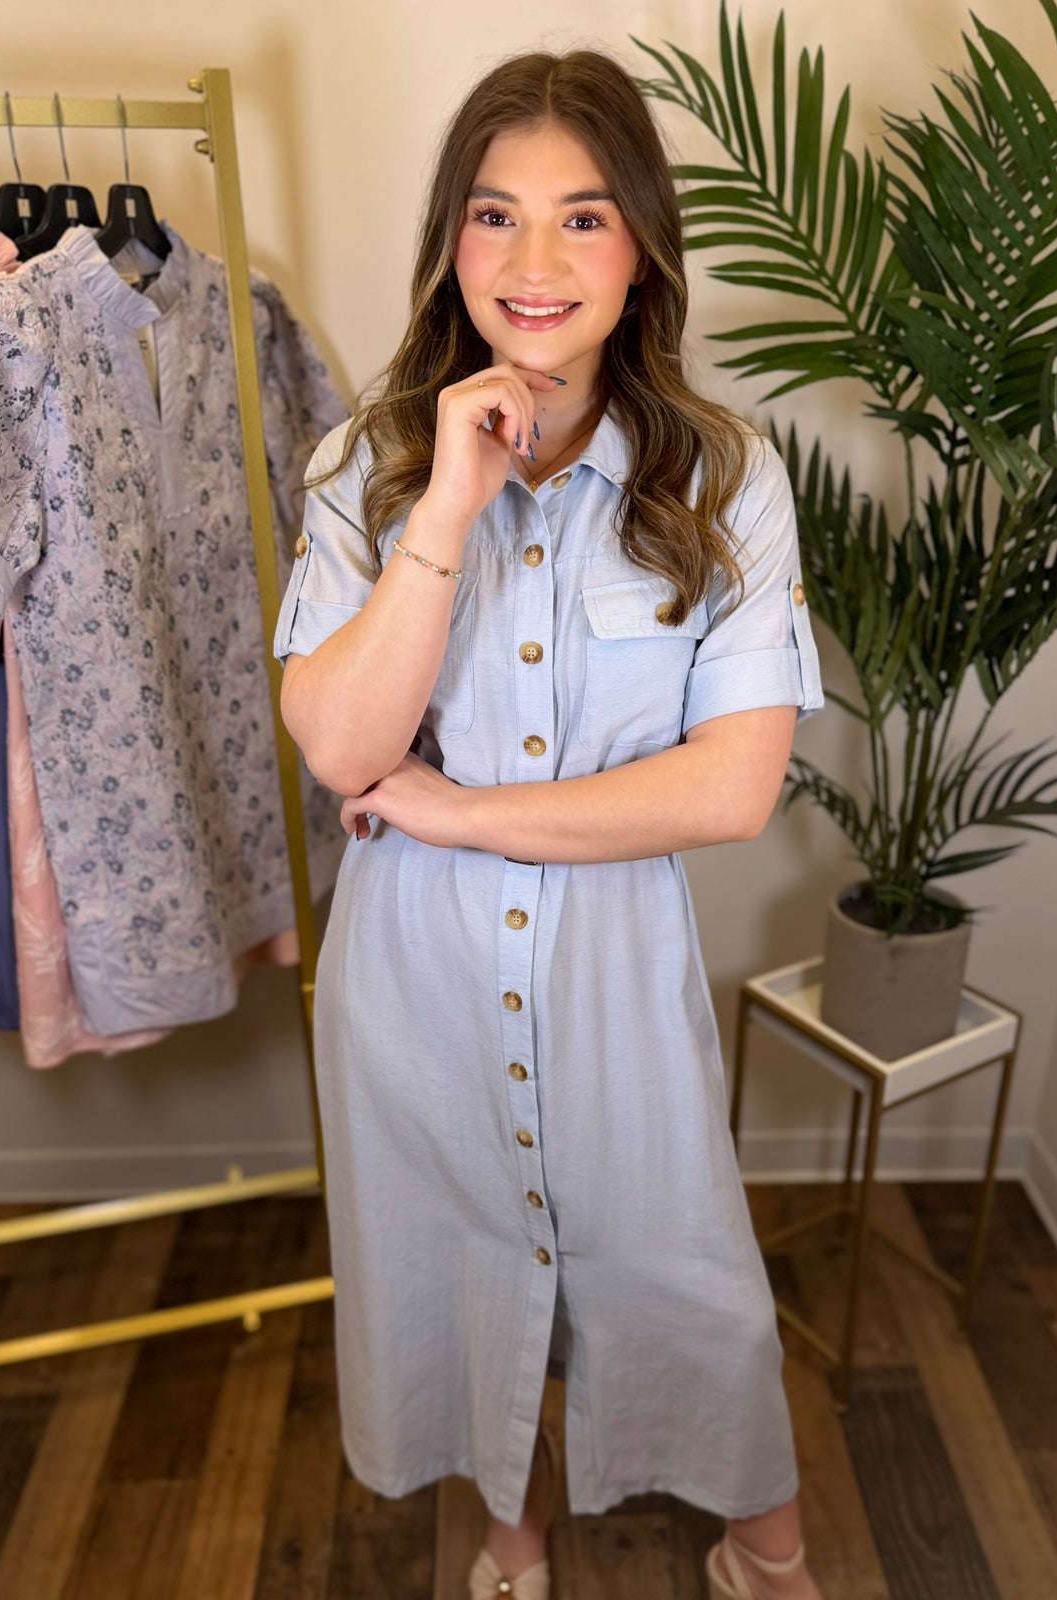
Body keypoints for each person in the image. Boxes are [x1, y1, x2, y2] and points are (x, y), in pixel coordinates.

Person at [275, 46, 824, 1600]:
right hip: (415, 994)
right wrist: (443, 507)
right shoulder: (357, 474)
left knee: (683, 1279)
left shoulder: (726, 479)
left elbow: (729, 787)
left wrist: (454, 809)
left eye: (582, 218)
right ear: (449, 239)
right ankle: (509, 1537)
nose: (533, 263)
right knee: (460, 1269)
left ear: (641, 243)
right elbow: (340, 742)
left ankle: (766, 1544)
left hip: (613, 986)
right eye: (494, 215)